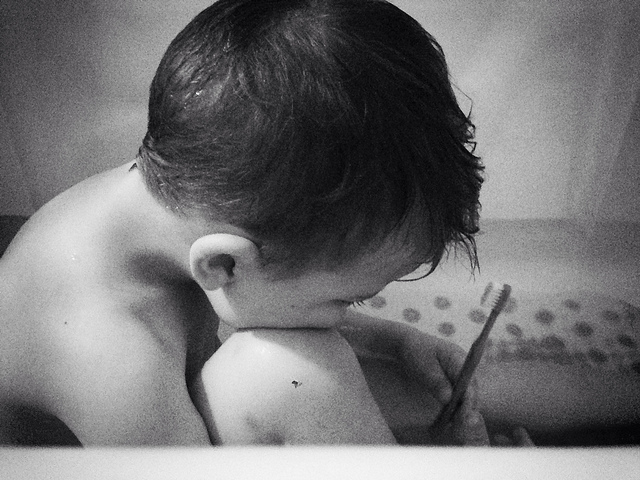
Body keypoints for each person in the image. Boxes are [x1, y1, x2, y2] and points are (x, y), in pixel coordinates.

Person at [0, 0, 494, 446]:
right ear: (223, 264)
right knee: (292, 375)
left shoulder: (196, 196)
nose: (347, 314)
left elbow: (257, 299)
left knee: (404, 383)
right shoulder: (114, 364)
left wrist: (394, 343)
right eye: (347, 300)